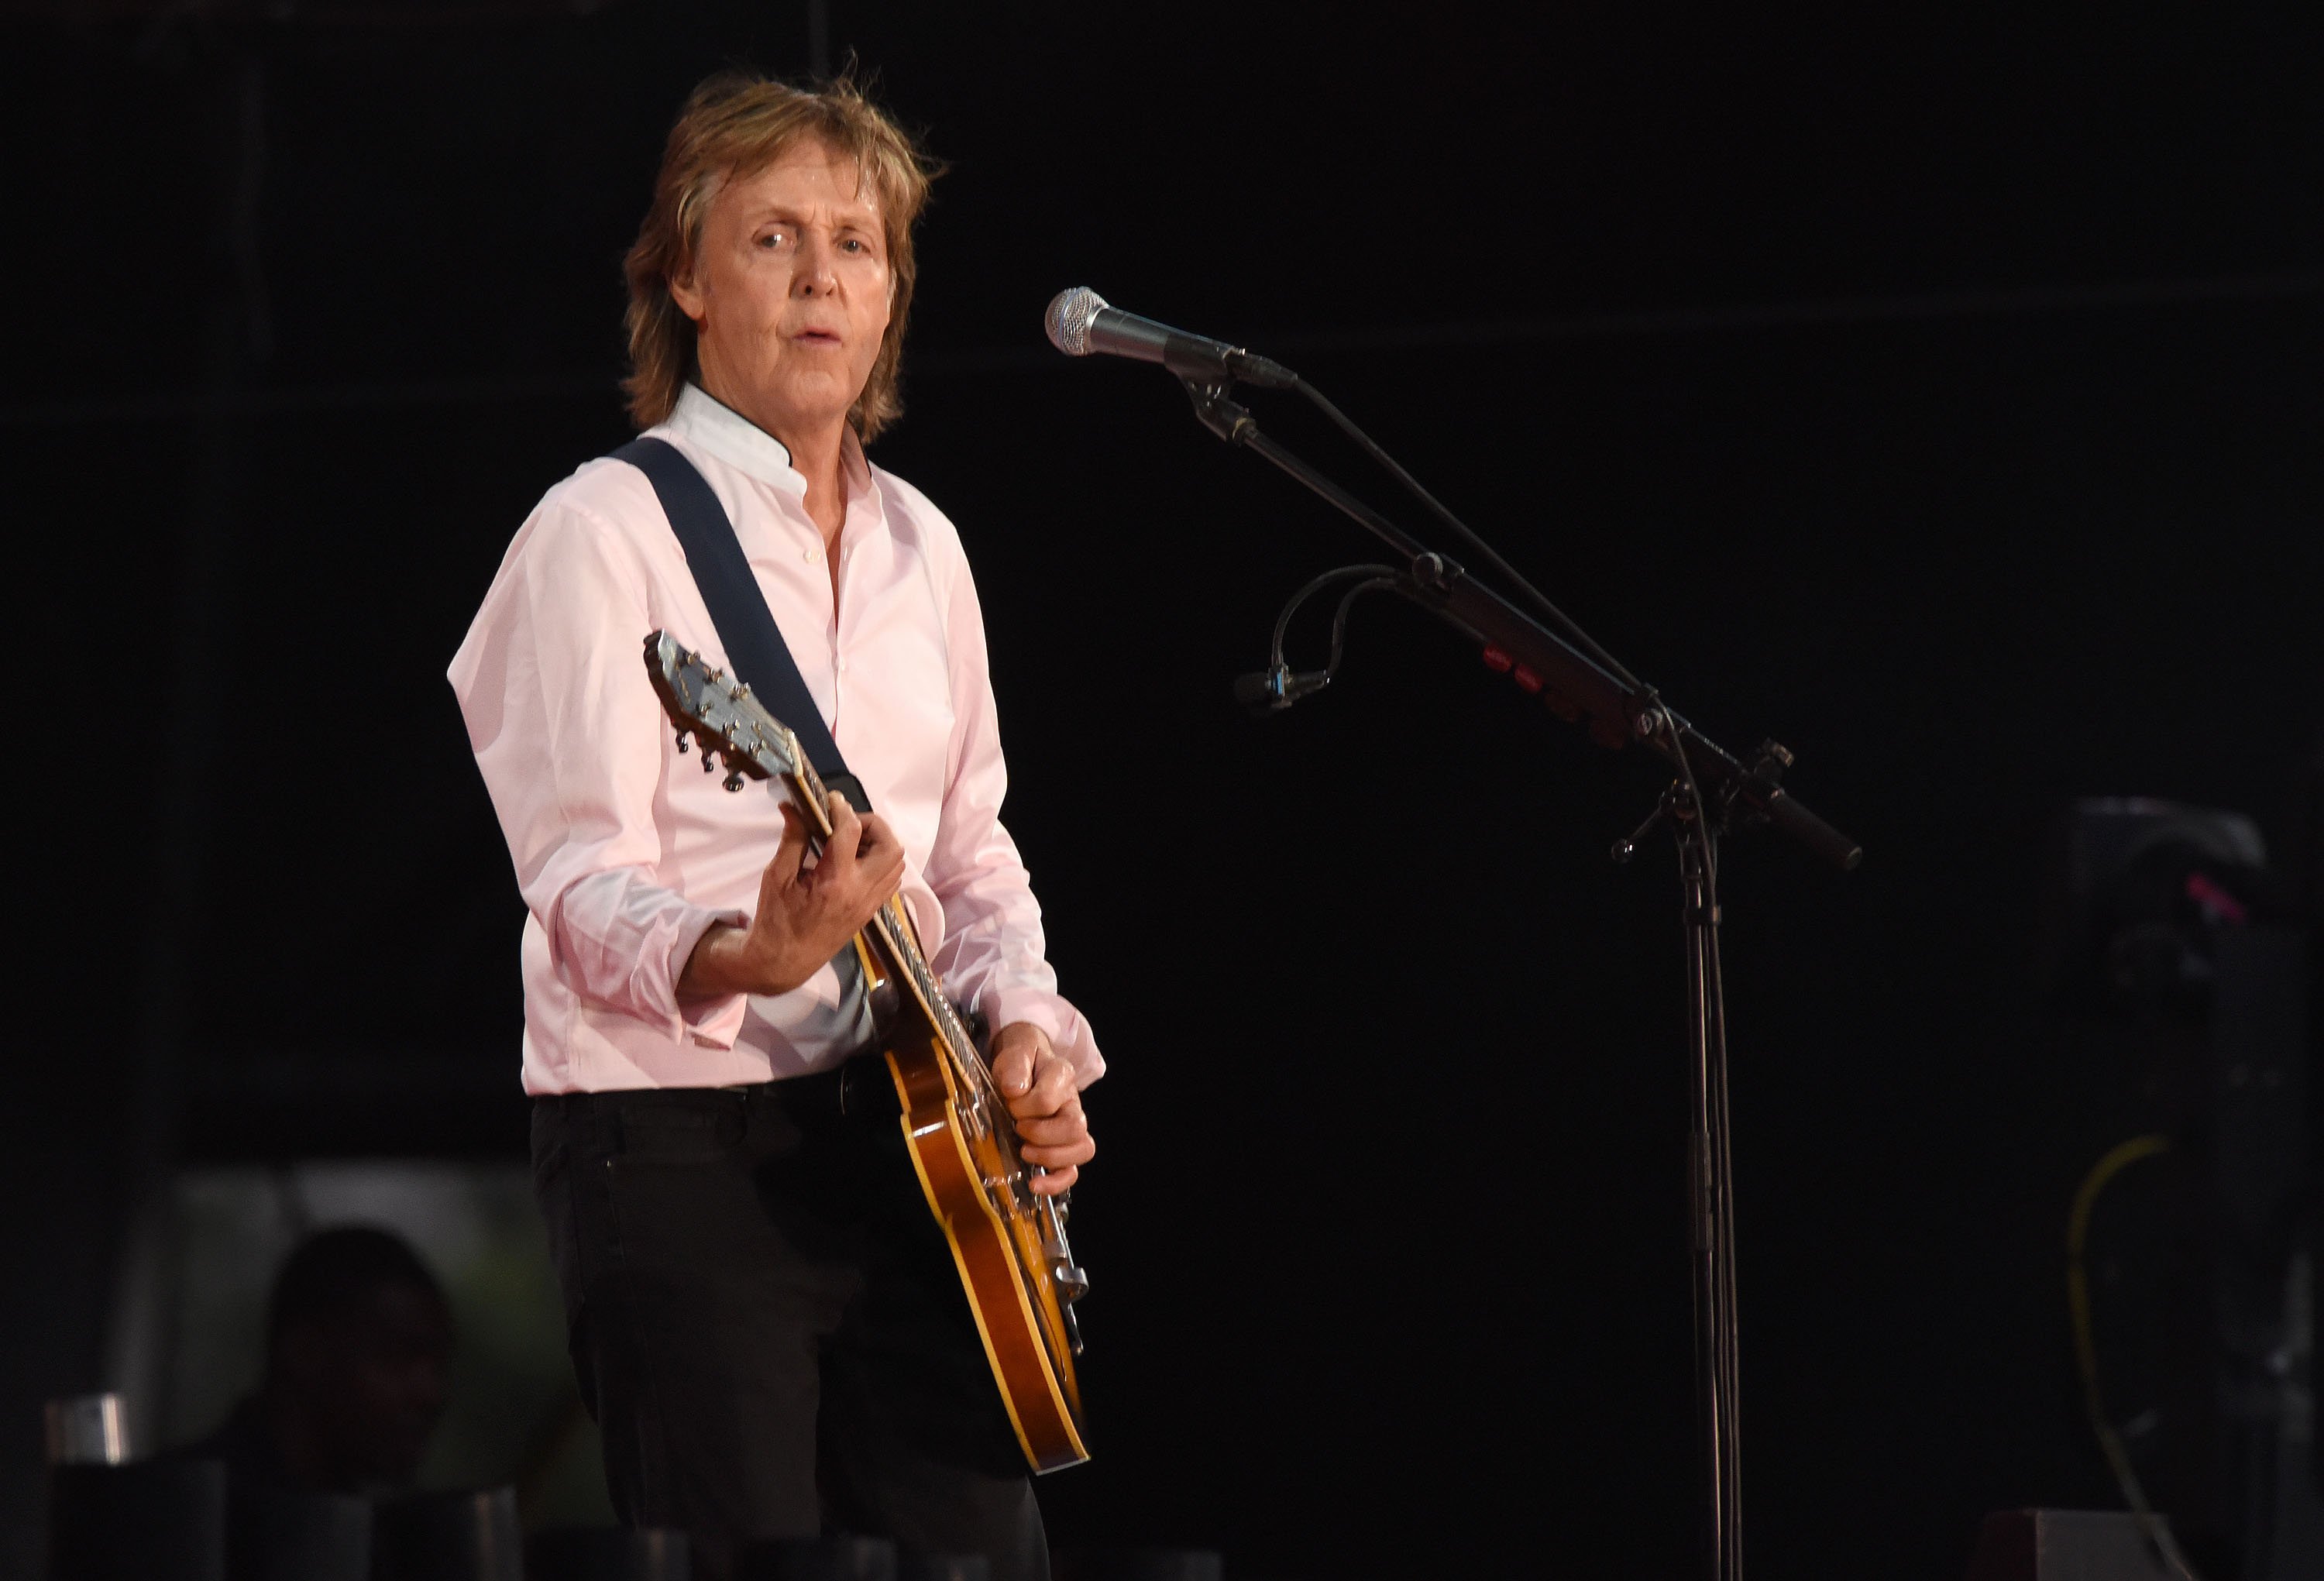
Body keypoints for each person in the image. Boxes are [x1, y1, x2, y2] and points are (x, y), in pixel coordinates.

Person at [447, 72, 1099, 1581]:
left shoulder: (925, 546)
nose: (822, 277)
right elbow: (573, 879)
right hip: (677, 1148)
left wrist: (1027, 1029)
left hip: (915, 1141)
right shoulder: (599, 533)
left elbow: (972, 860)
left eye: (857, 244)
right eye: (773, 239)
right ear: (683, 278)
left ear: (891, 294)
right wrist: (748, 951)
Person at [181, 1226, 454, 1497]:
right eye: (398, 1357)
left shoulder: (366, 1523)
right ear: (305, 1349)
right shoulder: (182, 1508)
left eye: (439, 1366)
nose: (430, 1394)